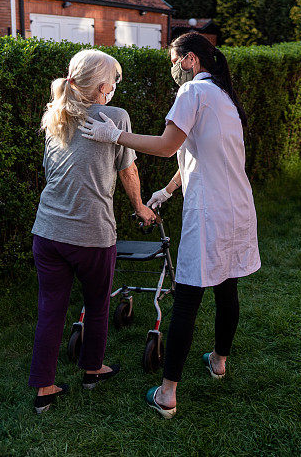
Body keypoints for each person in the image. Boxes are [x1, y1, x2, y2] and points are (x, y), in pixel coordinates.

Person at [79, 32, 261, 418]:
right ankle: (218, 362)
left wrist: (116, 135)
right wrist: (168, 189)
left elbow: (165, 145)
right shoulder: (226, 96)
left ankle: (166, 394)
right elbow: (201, 153)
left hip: (211, 212)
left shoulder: (193, 93)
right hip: (238, 209)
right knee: (228, 287)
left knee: (188, 299)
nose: (172, 70)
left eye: (173, 61)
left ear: (191, 60)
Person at [29, 49, 155, 414]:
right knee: (98, 303)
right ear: (102, 87)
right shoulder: (115, 117)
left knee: (50, 309)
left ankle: (44, 389)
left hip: (47, 231)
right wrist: (140, 207)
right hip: (91, 234)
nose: (114, 88)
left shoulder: (56, 114)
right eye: (113, 82)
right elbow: (128, 172)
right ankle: (92, 369)